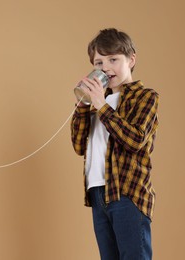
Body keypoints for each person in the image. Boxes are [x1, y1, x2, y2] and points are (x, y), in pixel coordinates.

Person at [71, 28, 159, 260]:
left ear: (131, 60)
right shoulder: (97, 103)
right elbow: (79, 145)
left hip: (127, 194)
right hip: (98, 192)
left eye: (113, 59)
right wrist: (83, 106)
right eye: (99, 62)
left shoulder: (145, 97)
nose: (106, 67)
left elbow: (136, 140)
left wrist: (101, 106)